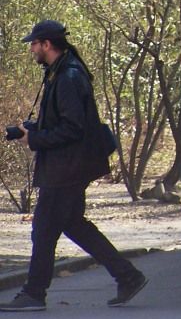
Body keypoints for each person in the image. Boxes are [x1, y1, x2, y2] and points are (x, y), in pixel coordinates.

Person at [0, 21, 147, 312]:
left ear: (46, 45)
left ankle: (33, 293)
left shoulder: (68, 76)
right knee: (74, 225)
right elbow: (61, 121)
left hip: (67, 168)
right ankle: (128, 276)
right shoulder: (61, 72)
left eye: (34, 44)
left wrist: (37, 139)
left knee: (43, 229)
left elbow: (72, 128)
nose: (31, 49)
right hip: (68, 166)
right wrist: (23, 130)